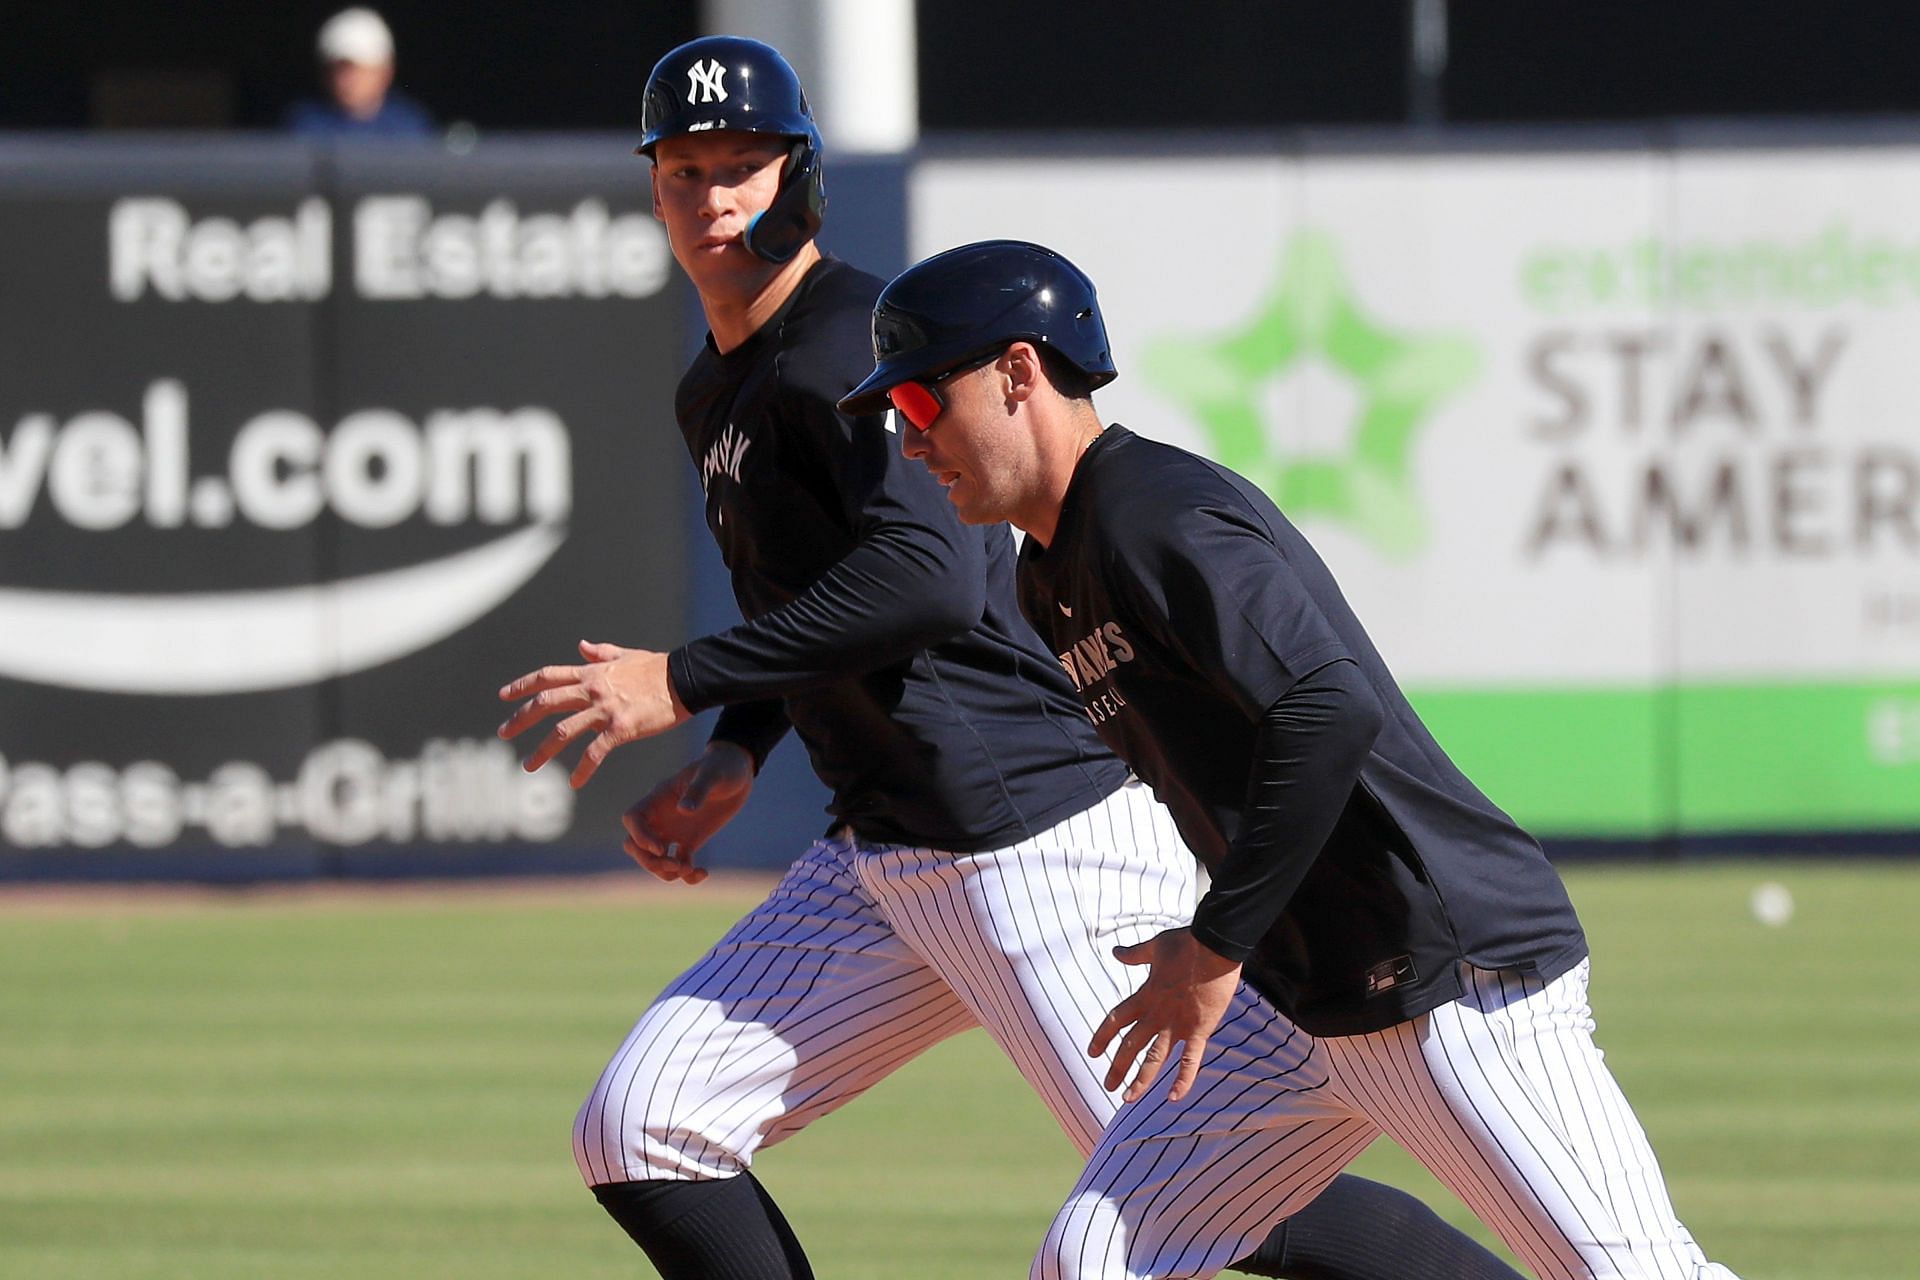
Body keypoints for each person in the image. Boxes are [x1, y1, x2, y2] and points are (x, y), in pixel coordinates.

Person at [497, 35, 1525, 1280]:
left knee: (1228, 1204)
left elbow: (923, 578)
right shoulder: (714, 388)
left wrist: (686, 675)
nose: (712, 195)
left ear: (800, 175)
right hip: (883, 853)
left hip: (1035, 834)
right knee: (642, 1122)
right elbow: (817, 589)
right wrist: (737, 746)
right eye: (683, 169)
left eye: (743, 167)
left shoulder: (844, 351)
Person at [839, 238, 1745, 1280]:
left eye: (917, 401)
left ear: (1017, 371)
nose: (910, 442)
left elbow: (1326, 710)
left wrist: (1214, 943)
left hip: (1445, 971)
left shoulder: (1150, 514)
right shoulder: (1051, 570)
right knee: (1092, 1258)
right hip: (1298, 998)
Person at [283, 7, 435, 139]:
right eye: (340, 69)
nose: (349, 80)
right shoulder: (304, 124)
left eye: (359, 70)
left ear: (385, 72)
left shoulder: (410, 126)